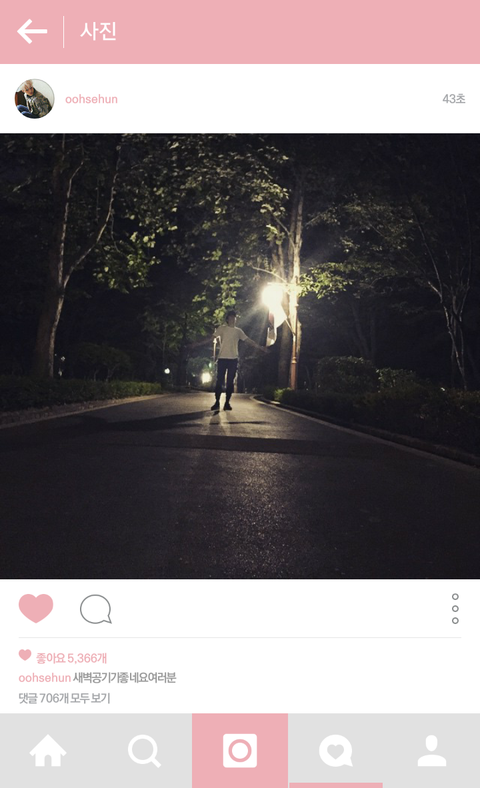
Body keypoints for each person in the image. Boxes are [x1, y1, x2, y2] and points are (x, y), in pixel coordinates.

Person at [211, 310, 267, 411]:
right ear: (227, 319)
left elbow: (248, 340)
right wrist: (197, 344)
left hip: (233, 359)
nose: (233, 319)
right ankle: (217, 402)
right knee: (219, 381)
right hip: (222, 358)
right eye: (231, 317)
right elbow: (211, 337)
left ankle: (227, 402)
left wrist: (260, 347)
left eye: (234, 317)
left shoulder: (238, 331)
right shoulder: (222, 329)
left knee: (230, 382)